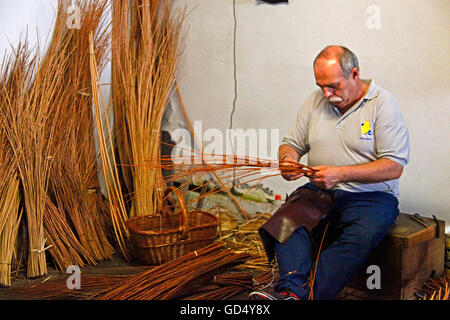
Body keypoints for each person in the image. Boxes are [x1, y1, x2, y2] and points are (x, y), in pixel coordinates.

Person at [249, 45, 410, 300]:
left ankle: (310, 296)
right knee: (286, 221)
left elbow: (394, 166)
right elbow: (291, 143)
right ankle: (290, 289)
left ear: (355, 75)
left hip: (370, 196)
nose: (326, 93)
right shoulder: (316, 100)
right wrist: (287, 160)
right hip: (320, 190)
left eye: (333, 86)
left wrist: (340, 174)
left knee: (360, 237)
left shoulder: (382, 104)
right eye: (320, 85)